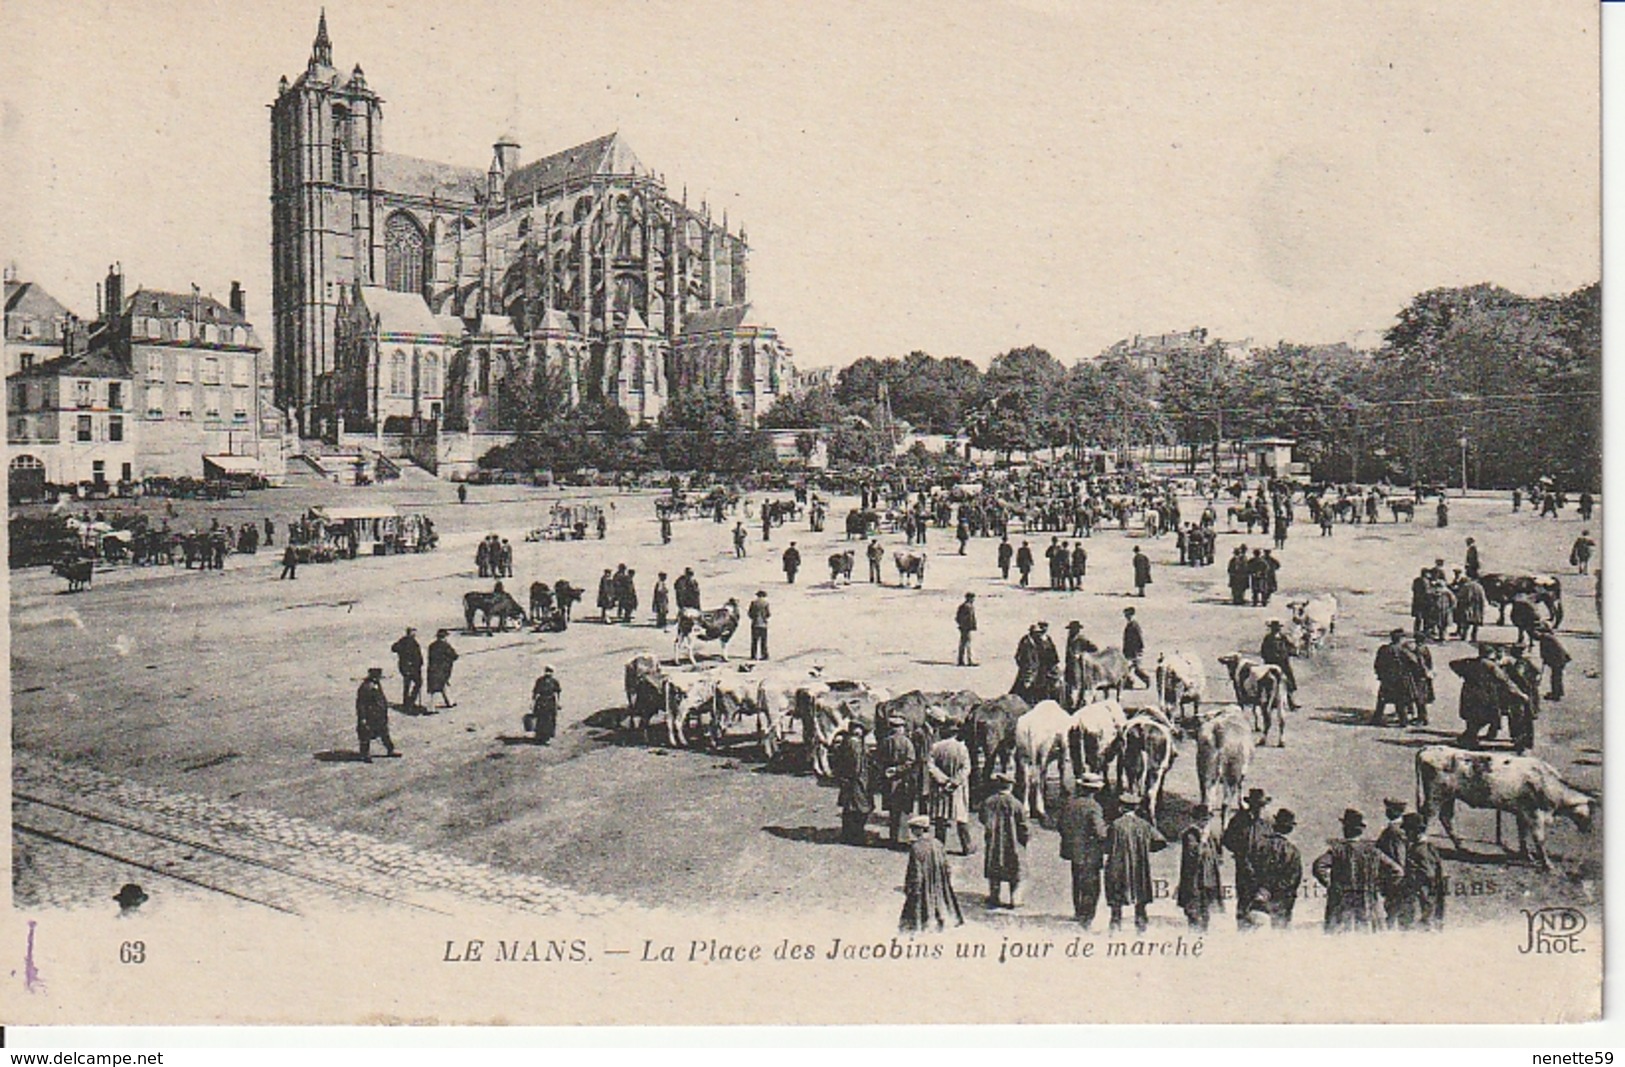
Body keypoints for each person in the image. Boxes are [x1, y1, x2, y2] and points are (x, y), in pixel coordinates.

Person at [1313, 808, 1402, 933]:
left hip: (1342, 902)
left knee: (1339, 940)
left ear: (1345, 829)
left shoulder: (1337, 850)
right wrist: (1382, 887)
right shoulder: (1373, 851)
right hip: (1369, 901)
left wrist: (1330, 885)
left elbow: (1318, 866)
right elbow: (1397, 871)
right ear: (1361, 830)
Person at [1103, 792, 1166, 934]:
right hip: (1139, 866)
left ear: (1121, 808)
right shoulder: (1144, 825)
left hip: (1118, 867)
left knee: (1116, 901)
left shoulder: (1115, 825)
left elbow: (1106, 845)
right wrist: (1145, 849)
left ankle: (1115, 928)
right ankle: (1141, 929)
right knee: (1140, 899)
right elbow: (1161, 841)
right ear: (1136, 808)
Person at [1056, 773, 1108, 928]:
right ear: (1095, 790)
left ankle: (1078, 912)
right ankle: (1087, 918)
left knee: (1077, 882)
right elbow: (1100, 832)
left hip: (1073, 851)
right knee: (1091, 887)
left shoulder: (1069, 804)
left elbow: (1060, 825)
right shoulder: (1094, 806)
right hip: (1090, 852)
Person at [899, 815, 964, 935]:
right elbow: (946, 867)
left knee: (917, 913)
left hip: (924, 885)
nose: (912, 831)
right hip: (938, 883)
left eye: (913, 828)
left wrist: (911, 888)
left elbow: (915, 871)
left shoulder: (916, 847)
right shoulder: (938, 844)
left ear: (920, 829)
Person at [1222, 787, 1272, 931]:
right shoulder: (1239, 820)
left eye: (1261, 806)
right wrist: (1240, 852)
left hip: (1262, 868)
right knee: (1244, 900)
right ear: (1250, 804)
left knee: (1261, 902)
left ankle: (1258, 933)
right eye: (1256, 806)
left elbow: (1273, 842)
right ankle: (1242, 930)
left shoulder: (1267, 822)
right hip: (1243, 867)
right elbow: (1227, 840)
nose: (1258, 809)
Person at [980, 771, 1029, 908]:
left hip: (994, 841)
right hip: (1014, 843)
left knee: (994, 867)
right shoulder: (1016, 804)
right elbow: (1024, 825)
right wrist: (1025, 839)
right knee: (1016, 869)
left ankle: (994, 896)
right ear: (1011, 786)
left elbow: (982, 818)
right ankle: (1015, 899)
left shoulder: (989, 801)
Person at [1249, 808, 1303, 929]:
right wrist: (1278, 890)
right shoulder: (1292, 851)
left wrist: (1262, 888)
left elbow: (1249, 869)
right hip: (1282, 901)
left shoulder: (1259, 845)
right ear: (1290, 829)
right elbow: (1294, 879)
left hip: (1259, 897)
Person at [927, 725, 975, 856]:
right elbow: (966, 768)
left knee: (940, 817)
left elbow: (930, 766)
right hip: (957, 789)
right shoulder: (961, 748)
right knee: (961, 817)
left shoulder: (935, 747)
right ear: (955, 734)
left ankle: (939, 847)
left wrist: (942, 779)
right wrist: (954, 781)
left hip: (940, 788)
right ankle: (967, 846)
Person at [1395, 813, 1447, 930]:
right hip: (1431, 895)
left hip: (1421, 895)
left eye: (1408, 831)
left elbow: (1427, 874)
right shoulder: (1430, 847)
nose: (1406, 834)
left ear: (1415, 831)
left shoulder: (1419, 850)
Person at [1176, 804, 1224, 931]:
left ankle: (1204, 934)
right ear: (1195, 820)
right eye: (1202, 820)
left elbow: (1218, 854)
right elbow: (1194, 855)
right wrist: (1202, 840)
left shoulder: (1210, 834)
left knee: (1206, 911)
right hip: (1194, 879)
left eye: (1207, 820)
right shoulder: (1190, 835)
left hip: (1208, 879)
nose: (1204, 823)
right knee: (1193, 912)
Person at [877, 716, 917, 846]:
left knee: (893, 811)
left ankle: (893, 837)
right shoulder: (907, 742)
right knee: (904, 809)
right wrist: (898, 769)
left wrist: (887, 770)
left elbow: (879, 760)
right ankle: (902, 838)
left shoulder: (885, 742)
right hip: (903, 780)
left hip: (888, 780)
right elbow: (910, 761)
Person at [832, 721, 874, 845]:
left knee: (851, 807)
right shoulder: (854, 743)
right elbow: (856, 765)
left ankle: (849, 835)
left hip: (853, 780)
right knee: (859, 809)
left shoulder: (851, 741)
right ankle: (856, 836)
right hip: (857, 781)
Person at [1373, 629, 1419, 727]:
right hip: (1400, 678)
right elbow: (1414, 661)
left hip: (1387, 678)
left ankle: (1377, 718)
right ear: (1401, 639)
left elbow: (1377, 663)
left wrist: (1380, 675)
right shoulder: (1403, 650)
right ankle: (1403, 721)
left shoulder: (1384, 649)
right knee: (1400, 700)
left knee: (1382, 699)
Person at [1374, 798, 1409, 928]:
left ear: (1395, 811)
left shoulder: (1393, 831)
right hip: (1396, 876)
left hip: (1394, 877)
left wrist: (1398, 875)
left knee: (1393, 911)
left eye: (1388, 809)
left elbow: (1399, 856)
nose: (1386, 812)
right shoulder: (1401, 828)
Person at [355, 667, 395, 763]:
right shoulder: (366, 687)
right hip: (370, 715)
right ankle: (365, 755)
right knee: (366, 735)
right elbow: (361, 704)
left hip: (378, 715)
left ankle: (390, 749)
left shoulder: (376, 685)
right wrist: (363, 718)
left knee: (384, 733)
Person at [1260, 619, 1298, 710]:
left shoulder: (1283, 637)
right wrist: (1269, 659)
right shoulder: (1268, 638)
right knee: (1270, 681)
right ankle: (1271, 701)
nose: (1277, 630)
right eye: (1274, 628)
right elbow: (1263, 651)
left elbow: (1291, 647)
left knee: (1288, 680)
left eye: (1278, 628)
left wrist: (1290, 652)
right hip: (1272, 663)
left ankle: (1291, 702)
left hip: (1283, 662)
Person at [1534, 622, 1571, 701]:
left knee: (1555, 677)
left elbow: (1545, 652)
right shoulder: (1548, 637)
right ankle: (1559, 692)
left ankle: (1556, 695)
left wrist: (1545, 658)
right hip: (1560, 659)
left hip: (1558, 660)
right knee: (1557, 676)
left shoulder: (1545, 637)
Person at [390, 627, 424, 712]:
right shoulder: (412, 642)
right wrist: (419, 663)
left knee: (407, 684)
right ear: (411, 633)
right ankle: (410, 702)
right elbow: (416, 655)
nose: (415, 634)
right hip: (412, 667)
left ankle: (406, 702)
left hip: (404, 666)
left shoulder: (402, 641)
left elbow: (394, 648)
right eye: (414, 632)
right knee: (418, 682)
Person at [426, 629, 458, 710]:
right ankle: (431, 708)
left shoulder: (432, 646)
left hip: (432, 669)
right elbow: (454, 656)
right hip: (442, 669)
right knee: (436, 688)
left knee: (441, 686)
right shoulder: (445, 646)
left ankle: (450, 702)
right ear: (445, 637)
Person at [530, 666, 561, 745]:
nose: (548, 673)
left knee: (550, 719)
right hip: (541, 701)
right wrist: (532, 702)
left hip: (551, 701)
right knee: (541, 719)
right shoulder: (540, 681)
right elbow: (535, 692)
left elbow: (557, 692)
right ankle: (539, 736)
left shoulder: (554, 681)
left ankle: (547, 737)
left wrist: (558, 703)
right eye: (547, 671)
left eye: (550, 671)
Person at [1122, 608, 1150, 689]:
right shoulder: (1130, 625)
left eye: (1127, 615)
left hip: (1134, 651)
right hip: (1129, 651)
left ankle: (1147, 679)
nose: (1126, 617)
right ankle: (1129, 683)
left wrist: (1140, 649)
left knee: (1136, 669)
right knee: (1128, 668)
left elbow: (1139, 638)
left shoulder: (1135, 625)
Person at [747, 590, 771, 661]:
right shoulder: (766, 603)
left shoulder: (753, 603)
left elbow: (750, 613)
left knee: (754, 640)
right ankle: (764, 655)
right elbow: (768, 614)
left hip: (755, 624)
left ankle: (753, 655)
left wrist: (753, 618)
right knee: (763, 641)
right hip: (763, 624)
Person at [955, 592, 978, 667]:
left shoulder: (963, 606)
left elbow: (957, 618)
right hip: (966, 628)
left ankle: (961, 660)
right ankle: (968, 660)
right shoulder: (968, 607)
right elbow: (970, 618)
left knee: (963, 643)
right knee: (967, 644)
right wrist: (970, 626)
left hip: (964, 627)